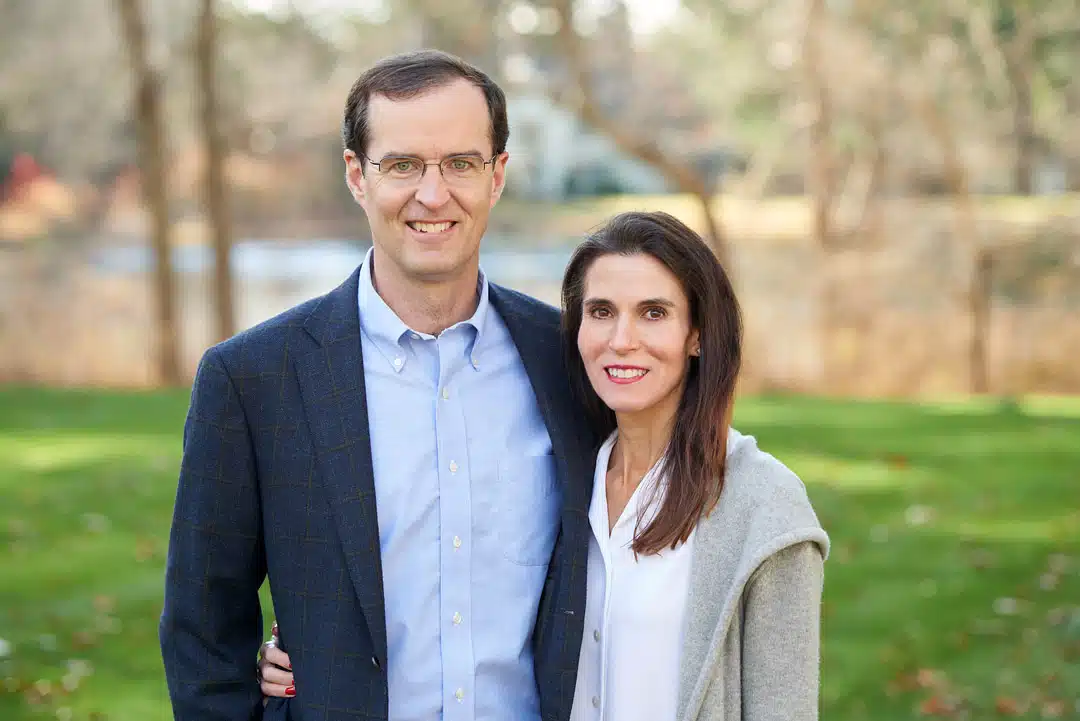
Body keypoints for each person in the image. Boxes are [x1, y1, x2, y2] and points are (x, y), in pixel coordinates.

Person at [159, 49, 598, 721]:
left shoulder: (571, 362)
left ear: (497, 176)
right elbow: (203, 630)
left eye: (460, 163)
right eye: (402, 165)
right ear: (356, 176)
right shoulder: (253, 380)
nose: (433, 193)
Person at [261, 211, 831, 720]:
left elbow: (784, 705)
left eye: (654, 313)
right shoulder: (568, 475)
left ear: (698, 335)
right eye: (601, 312)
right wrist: (306, 651)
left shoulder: (762, 506)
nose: (622, 340)